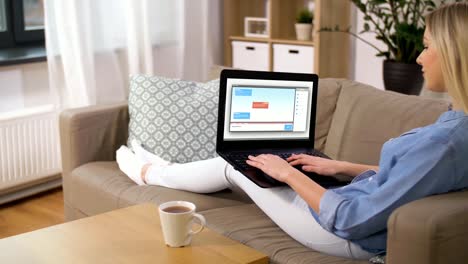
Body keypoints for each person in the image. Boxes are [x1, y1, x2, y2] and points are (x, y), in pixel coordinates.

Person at [116, 3, 468, 260]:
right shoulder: (457, 124)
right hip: (353, 198)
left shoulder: (445, 142)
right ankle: (159, 167)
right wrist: (343, 168)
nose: (419, 58)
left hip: (341, 233)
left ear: (454, 54)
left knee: (235, 166)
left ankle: (149, 172)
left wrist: (287, 173)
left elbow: (350, 220)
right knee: (266, 166)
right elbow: (412, 180)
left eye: (426, 46)